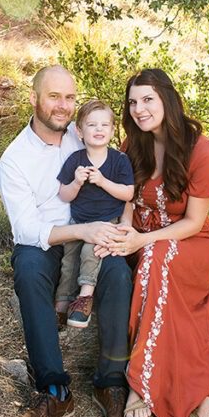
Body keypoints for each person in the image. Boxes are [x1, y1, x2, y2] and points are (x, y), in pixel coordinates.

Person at [0, 66, 138, 417]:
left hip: (93, 235)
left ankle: (109, 384)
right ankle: (55, 391)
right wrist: (81, 231)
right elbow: (26, 230)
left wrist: (120, 228)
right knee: (27, 268)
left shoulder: (84, 138)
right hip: (49, 242)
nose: (62, 106)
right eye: (53, 96)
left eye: (69, 98)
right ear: (34, 98)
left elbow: (124, 187)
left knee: (119, 274)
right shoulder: (15, 159)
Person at [104, 68, 209, 417]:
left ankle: (139, 386)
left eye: (148, 99)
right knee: (134, 261)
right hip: (143, 239)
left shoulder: (199, 149)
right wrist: (125, 229)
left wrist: (143, 242)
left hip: (190, 242)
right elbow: (126, 198)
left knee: (154, 262)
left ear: (167, 100)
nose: (139, 109)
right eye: (133, 102)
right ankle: (207, 391)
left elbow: (194, 221)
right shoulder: (133, 144)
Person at [55, 99, 134, 329]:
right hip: (78, 222)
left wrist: (102, 181)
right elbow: (64, 195)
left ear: (112, 130)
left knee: (91, 252)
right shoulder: (75, 161)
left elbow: (128, 193)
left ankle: (85, 298)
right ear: (79, 131)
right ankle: (61, 305)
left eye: (104, 125)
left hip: (107, 220)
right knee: (68, 261)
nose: (98, 129)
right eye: (91, 125)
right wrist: (77, 183)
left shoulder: (119, 160)